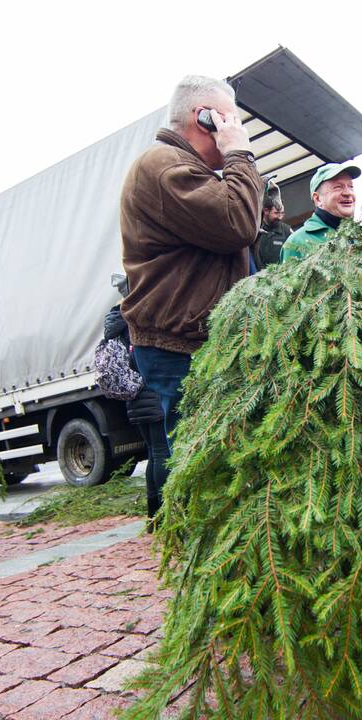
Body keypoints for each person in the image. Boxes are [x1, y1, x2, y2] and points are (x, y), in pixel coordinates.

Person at [120, 75, 264, 446]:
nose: (236, 128)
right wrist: (238, 154)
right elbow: (239, 223)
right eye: (229, 119)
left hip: (193, 340)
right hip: (181, 347)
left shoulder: (185, 168)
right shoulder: (166, 167)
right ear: (204, 119)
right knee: (201, 463)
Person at [103, 284, 167, 521]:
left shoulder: (117, 322)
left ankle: (153, 516)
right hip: (152, 392)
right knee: (162, 453)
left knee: (153, 452)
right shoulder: (139, 316)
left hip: (133, 395)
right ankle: (165, 513)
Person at [279, 162, 361, 262]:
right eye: (338, 187)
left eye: (350, 186)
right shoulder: (297, 242)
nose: (348, 193)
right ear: (317, 199)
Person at [254, 187, 292, 268]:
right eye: (276, 213)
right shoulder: (255, 231)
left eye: (282, 213)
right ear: (266, 211)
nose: (280, 217)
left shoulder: (287, 231)